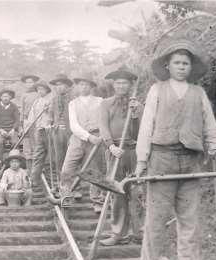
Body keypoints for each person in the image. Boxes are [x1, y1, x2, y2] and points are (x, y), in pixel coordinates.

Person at [136, 39, 216, 260]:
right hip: (162, 158)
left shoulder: (198, 93)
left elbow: (211, 129)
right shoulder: (157, 90)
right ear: (168, 66)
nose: (181, 67)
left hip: (191, 161)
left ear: (191, 67)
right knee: (156, 220)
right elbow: (146, 127)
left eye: (186, 63)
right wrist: (141, 161)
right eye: (177, 63)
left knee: (190, 221)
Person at [98, 66, 144, 247]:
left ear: (130, 85)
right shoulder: (105, 104)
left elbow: (141, 131)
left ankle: (139, 232)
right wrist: (110, 146)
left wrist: (134, 115)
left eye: (125, 83)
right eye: (118, 82)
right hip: (115, 151)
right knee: (117, 192)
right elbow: (103, 127)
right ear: (113, 84)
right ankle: (118, 233)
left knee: (136, 192)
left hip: (133, 151)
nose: (121, 86)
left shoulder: (138, 105)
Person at [59, 73, 104, 211]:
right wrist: (87, 136)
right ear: (78, 87)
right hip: (78, 137)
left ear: (91, 87)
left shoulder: (100, 101)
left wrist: (101, 135)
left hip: (97, 136)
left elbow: (104, 120)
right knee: (67, 168)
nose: (83, 87)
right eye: (81, 84)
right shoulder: (73, 103)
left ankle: (96, 201)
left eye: (86, 84)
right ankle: (66, 195)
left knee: (95, 170)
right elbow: (73, 125)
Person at [26, 81, 52, 194]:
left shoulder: (51, 100)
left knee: (53, 155)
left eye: (42, 89)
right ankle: (34, 179)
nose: (40, 91)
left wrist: (49, 110)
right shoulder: (36, 101)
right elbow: (31, 117)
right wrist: (28, 125)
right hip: (39, 130)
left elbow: (54, 115)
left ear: (46, 90)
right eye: (38, 89)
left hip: (49, 130)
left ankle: (56, 181)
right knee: (38, 154)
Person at [49, 74, 73, 174]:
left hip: (70, 132)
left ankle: (71, 179)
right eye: (57, 85)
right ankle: (61, 181)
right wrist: (50, 124)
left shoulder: (73, 99)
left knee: (71, 156)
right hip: (57, 131)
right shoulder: (54, 100)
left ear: (67, 86)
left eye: (61, 85)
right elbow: (51, 114)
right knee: (59, 156)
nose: (58, 87)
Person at [0, 89, 20, 170]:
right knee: (0, 143)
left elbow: (17, 120)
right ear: (0, 97)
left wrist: (13, 129)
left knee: (15, 143)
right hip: (0, 130)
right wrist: (0, 130)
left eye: (7, 96)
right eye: (4, 96)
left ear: (10, 97)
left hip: (12, 130)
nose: (5, 98)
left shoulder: (14, 106)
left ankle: (14, 164)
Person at [19, 75, 41, 175]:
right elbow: (22, 110)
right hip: (27, 121)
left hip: (37, 121)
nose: (29, 84)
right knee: (27, 143)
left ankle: (37, 168)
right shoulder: (23, 95)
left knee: (36, 143)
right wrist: (21, 124)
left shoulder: (38, 94)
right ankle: (29, 168)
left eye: (31, 82)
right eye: (27, 82)